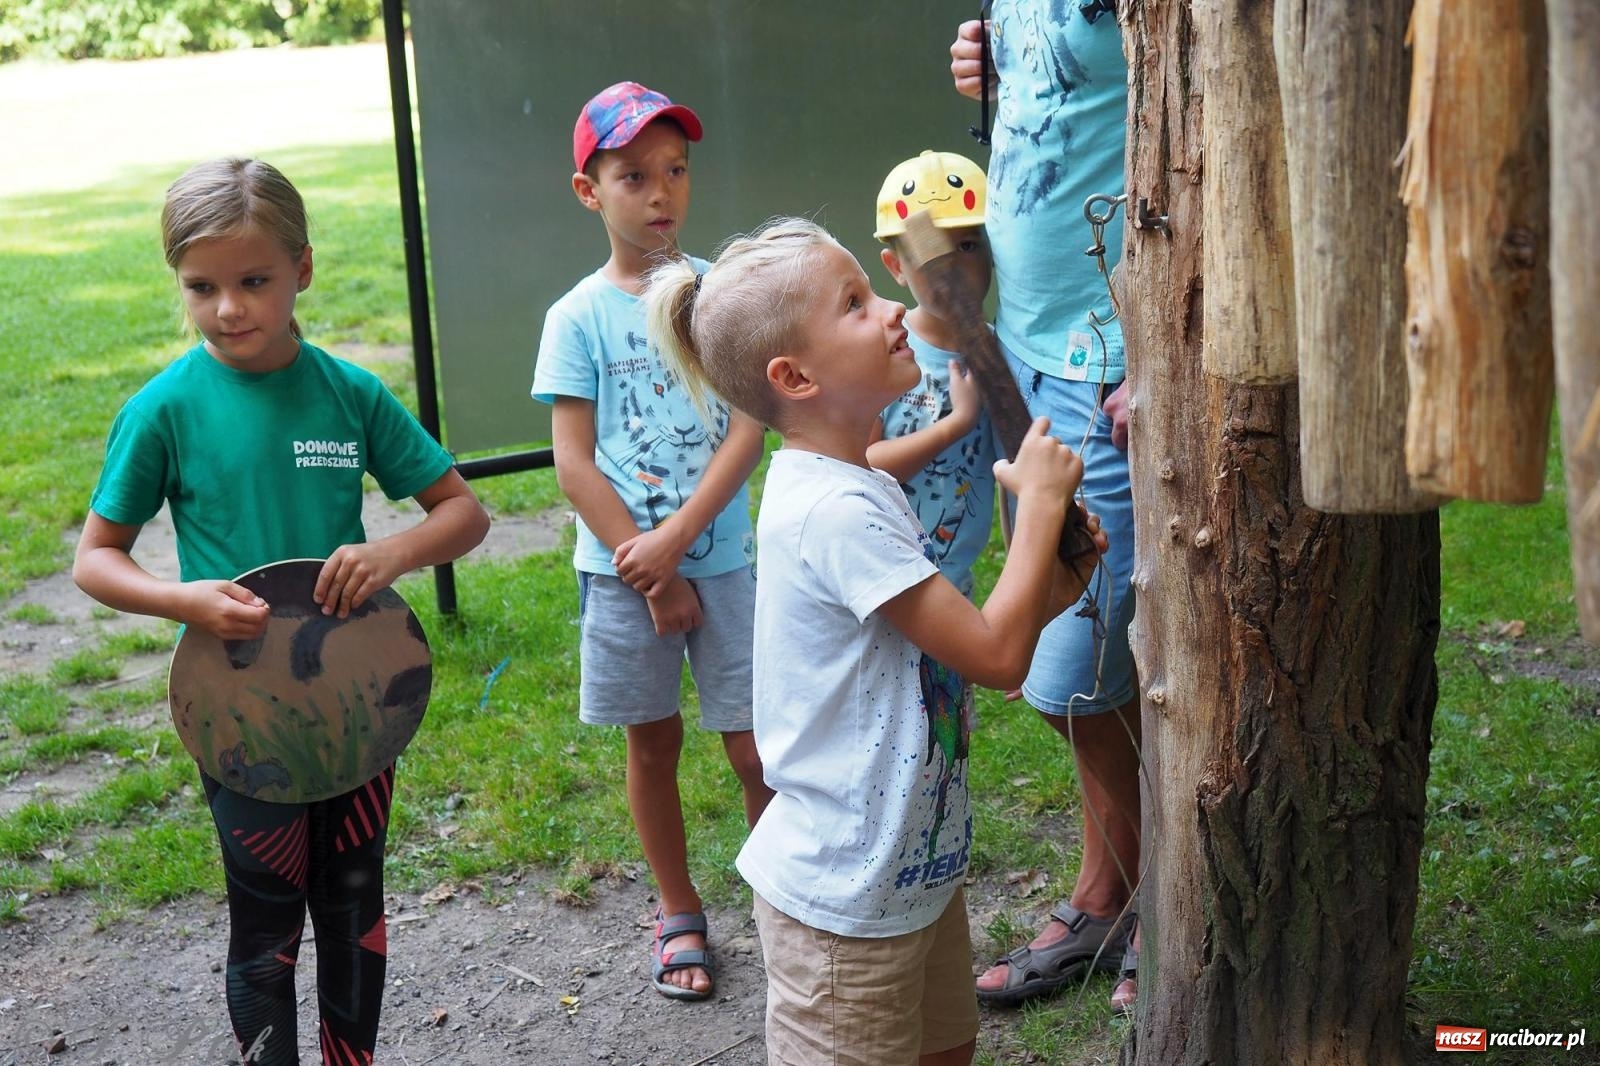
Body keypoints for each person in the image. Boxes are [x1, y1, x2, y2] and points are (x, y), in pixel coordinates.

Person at [644, 218, 1106, 1066]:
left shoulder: (854, 484)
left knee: (945, 1052)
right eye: (855, 304)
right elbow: (999, 657)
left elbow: (965, 645)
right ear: (795, 376)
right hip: (842, 908)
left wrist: (1061, 577)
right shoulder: (836, 511)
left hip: (911, 875)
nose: (894, 311)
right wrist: (1036, 515)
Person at [72, 157, 491, 1065]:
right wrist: (182, 599)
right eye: (202, 286)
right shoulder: (164, 411)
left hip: (357, 708)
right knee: (264, 922)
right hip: (237, 717)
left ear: (302, 268)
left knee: (354, 903)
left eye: (253, 280)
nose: (228, 307)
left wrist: (391, 552)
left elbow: (464, 514)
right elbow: (96, 561)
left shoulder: (350, 394)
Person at [531, 81, 771, 1002]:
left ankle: (773, 899)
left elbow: (749, 427)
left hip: (721, 562)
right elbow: (574, 464)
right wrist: (649, 561)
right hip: (622, 575)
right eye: (634, 176)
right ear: (591, 192)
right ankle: (678, 911)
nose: (661, 193)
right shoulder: (576, 316)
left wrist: (681, 539)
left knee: (754, 749)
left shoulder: (718, 296)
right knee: (653, 744)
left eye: (675, 171)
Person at [950, 1, 1144, 1015]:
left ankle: (1154, 894)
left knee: (1088, 655)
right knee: (1093, 663)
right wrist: (988, 61)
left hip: (1107, 356)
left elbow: (1209, 135)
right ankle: (1117, 887)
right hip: (1023, 339)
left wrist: (1163, 336)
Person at [866, 149, 998, 601]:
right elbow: (867, 463)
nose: (953, 268)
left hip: (952, 584)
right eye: (931, 251)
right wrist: (956, 424)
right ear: (896, 267)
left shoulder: (1000, 354)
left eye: (967, 245)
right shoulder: (886, 348)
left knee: (947, 675)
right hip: (883, 579)